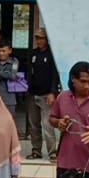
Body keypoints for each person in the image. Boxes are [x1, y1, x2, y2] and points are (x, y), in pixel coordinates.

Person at [26, 28, 61, 161]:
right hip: (33, 94)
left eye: (41, 38)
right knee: (33, 125)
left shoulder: (52, 54)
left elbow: (55, 75)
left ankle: (52, 152)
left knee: (47, 125)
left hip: (47, 95)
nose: (39, 40)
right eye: (37, 38)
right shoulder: (33, 54)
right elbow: (29, 72)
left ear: (47, 39)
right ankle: (36, 151)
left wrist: (53, 92)